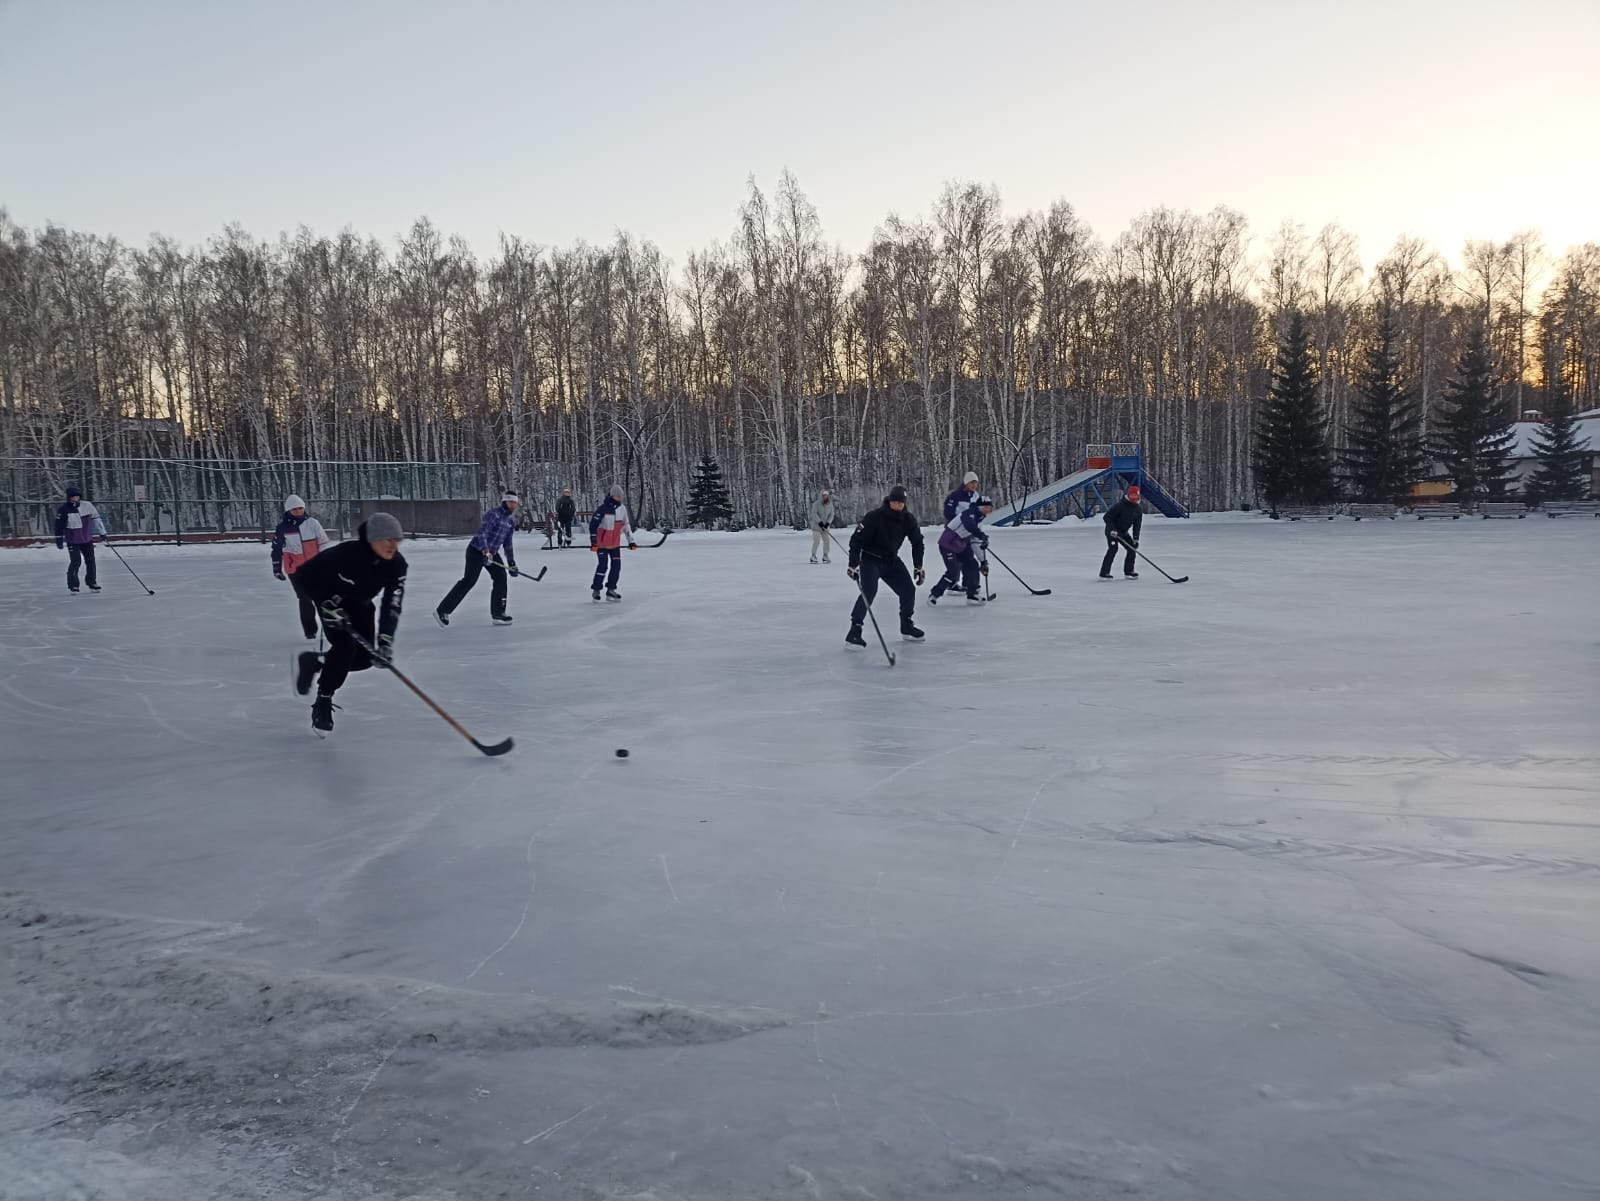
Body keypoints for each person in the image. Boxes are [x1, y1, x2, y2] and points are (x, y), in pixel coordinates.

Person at [291, 513, 407, 735]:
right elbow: (302, 577)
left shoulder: (397, 565)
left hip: (361, 605)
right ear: (372, 539)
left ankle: (316, 662)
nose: (393, 545)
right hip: (331, 603)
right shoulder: (345, 554)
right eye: (387, 540)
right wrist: (324, 603)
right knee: (345, 648)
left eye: (397, 540)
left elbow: (392, 604)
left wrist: (385, 641)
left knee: (365, 659)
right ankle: (323, 702)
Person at [845, 484, 926, 646]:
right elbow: (856, 540)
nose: (898, 505)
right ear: (889, 501)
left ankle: (906, 625)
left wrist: (918, 565)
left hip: (891, 561)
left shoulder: (908, 519)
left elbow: (917, 542)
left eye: (901, 502)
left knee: (908, 590)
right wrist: (853, 564)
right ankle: (855, 629)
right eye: (895, 502)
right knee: (869, 591)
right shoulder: (874, 517)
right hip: (870, 560)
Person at [434, 492, 521, 627]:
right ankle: (442, 610)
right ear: (505, 502)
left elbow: (507, 544)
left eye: (515, 503)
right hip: (477, 550)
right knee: (469, 580)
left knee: (501, 577)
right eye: (511, 502)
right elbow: (482, 533)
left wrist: (511, 562)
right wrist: (485, 550)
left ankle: (498, 614)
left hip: (491, 553)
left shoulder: (510, 522)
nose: (513, 505)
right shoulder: (494, 514)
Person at [271, 494, 331, 638]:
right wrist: (277, 568)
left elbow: (323, 543)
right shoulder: (282, 528)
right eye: (294, 509)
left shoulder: (313, 523)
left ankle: (330, 628)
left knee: (320, 598)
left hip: (315, 568)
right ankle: (310, 630)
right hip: (295, 570)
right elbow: (276, 549)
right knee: (304, 598)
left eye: (300, 508)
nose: (298, 511)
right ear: (288, 511)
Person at [929, 494, 993, 605]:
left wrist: (983, 561)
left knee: (972, 565)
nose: (987, 511)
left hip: (962, 546)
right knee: (953, 571)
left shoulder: (979, 521)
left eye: (989, 508)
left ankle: (972, 594)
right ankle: (934, 595)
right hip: (947, 545)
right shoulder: (969, 514)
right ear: (978, 507)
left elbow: (975, 542)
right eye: (985, 508)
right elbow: (969, 525)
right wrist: (981, 535)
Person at [55, 485, 106, 593]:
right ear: (69, 498)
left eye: (77, 496)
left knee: (91, 561)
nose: (75, 498)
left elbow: (96, 519)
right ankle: (73, 585)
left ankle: (92, 582)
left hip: (86, 539)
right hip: (73, 540)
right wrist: (59, 539)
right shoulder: (64, 509)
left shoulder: (87, 506)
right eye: (73, 497)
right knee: (76, 561)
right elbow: (58, 526)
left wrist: (102, 533)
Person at [589, 483, 637, 601]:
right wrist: (594, 542)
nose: (621, 498)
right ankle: (596, 589)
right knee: (603, 566)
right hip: (602, 544)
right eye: (619, 496)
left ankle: (611, 590)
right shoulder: (603, 509)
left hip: (615, 544)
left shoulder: (622, 509)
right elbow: (593, 526)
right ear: (614, 496)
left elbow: (626, 526)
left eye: (622, 496)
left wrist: (631, 541)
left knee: (616, 567)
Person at [1100, 484, 1143, 579]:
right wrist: (1113, 529)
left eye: (1135, 495)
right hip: (1112, 531)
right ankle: (1104, 573)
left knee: (1132, 549)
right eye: (1132, 495)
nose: (1133, 497)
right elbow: (1107, 517)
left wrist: (1136, 539)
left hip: (1123, 532)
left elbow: (1137, 525)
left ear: (1138, 496)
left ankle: (1129, 571)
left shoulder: (1138, 509)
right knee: (1113, 549)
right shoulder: (1120, 506)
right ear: (1128, 495)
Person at [807, 489, 836, 563]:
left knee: (826, 540)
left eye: (826, 496)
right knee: (817, 540)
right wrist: (820, 522)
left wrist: (827, 523)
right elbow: (814, 514)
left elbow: (831, 515)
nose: (825, 497)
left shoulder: (830, 504)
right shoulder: (816, 504)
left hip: (825, 527)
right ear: (821, 496)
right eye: (824, 496)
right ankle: (813, 555)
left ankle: (825, 555)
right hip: (816, 526)